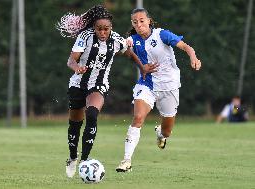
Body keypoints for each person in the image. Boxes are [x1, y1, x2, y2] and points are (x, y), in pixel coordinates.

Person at [56, 5, 158, 178]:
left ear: (111, 28)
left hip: (98, 85)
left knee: (93, 114)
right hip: (78, 84)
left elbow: (130, 53)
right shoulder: (85, 37)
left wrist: (143, 68)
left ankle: (85, 161)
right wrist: (77, 67)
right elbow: (71, 60)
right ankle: (73, 157)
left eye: (106, 29)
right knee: (75, 123)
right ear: (94, 28)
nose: (103, 33)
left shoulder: (117, 40)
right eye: (99, 29)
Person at [116, 8, 202, 172]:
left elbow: (185, 46)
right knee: (138, 117)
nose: (139, 24)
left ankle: (160, 135)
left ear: (149, 20)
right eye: (135, 22)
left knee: (167, 131)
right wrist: (122, 47)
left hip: (169, 86)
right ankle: (126, 161)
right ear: (132, 24)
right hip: (147, 84)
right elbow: (122, 48)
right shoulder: (132, 40)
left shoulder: (162, 35)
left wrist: (193, 57)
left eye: (142, 20)